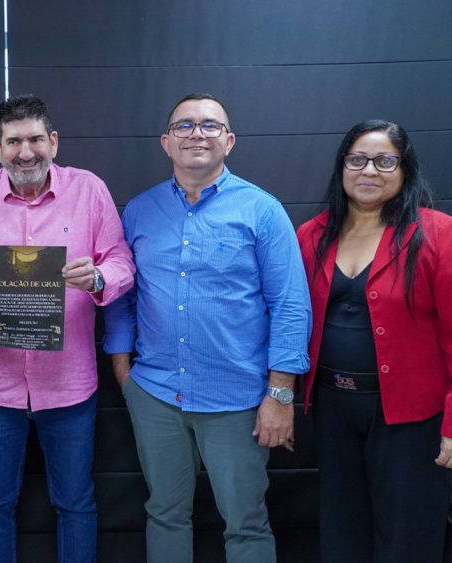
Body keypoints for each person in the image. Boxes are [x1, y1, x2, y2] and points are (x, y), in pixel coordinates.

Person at [103, 93, 312, 563]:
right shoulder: (139, 210)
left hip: (237, 400)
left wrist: (280, 395)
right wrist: (124, 373)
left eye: (210, 125)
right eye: (184, 125)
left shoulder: (262, 210)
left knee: (246, 523)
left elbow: (290, 305)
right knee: (164, 514)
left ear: (229, 141)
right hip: (155, 394)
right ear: (166, 142)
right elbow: (122, 295)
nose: (197, 133)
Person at [0, 94, 135, 563]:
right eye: (13, 142)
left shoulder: (89, 190)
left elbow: (122, 262)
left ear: (53, 141)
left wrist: (97, 278)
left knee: (75, 503)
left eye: (34, 139)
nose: (25, 152)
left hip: (69, 386)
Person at [296, 120, 452, 562]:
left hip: (411, 418)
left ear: (405, 170)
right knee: (342, 536)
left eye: (385, 161)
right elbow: (290, 322)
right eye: (357, 160)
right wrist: (281, 399)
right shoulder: (311, 235)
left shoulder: (437, 232)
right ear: (342, 167)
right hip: (332, 410)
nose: (369, 170)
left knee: (407, 539)